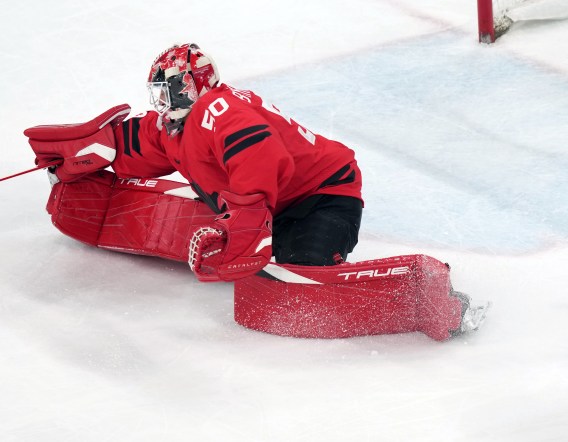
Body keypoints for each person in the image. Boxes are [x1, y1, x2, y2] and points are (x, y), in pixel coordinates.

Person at [26, 42, 484, 340]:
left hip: (323, 197)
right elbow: (137, 141)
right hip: (275, 203)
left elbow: (259, 154)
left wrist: (246, 219)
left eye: (168, 93)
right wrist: (87, 151)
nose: (161, 105)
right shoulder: (177, 126)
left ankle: (424, 298)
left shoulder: (219, 108)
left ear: (191, 87)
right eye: (157, 95)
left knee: (291, 281)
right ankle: (257, 232)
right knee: (258, 273)